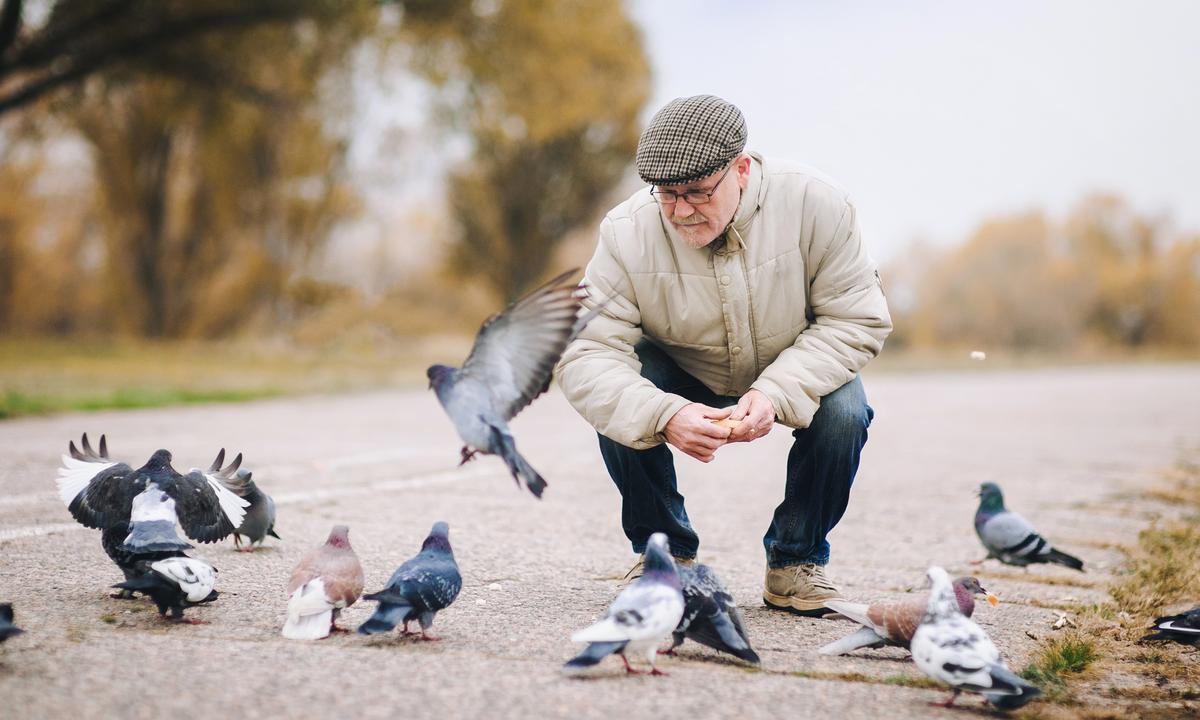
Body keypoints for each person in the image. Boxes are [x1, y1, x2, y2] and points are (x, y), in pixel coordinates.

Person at [555, 95, 892, 617]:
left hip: (792, 362)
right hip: (679, 366)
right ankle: (663, 558)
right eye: (667, 195)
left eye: (697, 192)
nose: (682, 210)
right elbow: (585, 352)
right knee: (620, 396)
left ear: (740, 168)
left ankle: (796, 562)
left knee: (846, 412)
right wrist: (662, 412)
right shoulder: (625, 232)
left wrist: (776, 392)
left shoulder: (819, 204)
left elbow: (856, 319)